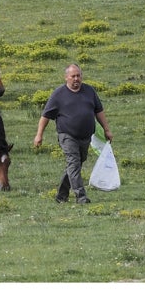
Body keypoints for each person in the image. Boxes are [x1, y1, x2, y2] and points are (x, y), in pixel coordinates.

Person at [33, 63, 113, 204]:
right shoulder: (58, 94)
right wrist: (39, 135)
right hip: (67, 135)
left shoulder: (89, 91)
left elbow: (99, 111)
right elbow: (45, 116)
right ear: (66, 78)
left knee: (76, 164)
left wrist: (106, 129)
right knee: (73, 163)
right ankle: (80, 196)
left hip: (86, 136)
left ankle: (61, 195)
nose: (76, 79)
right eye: (73, 76)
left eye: (78, 75)